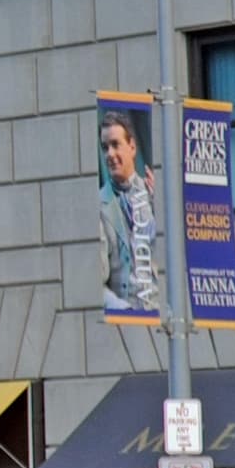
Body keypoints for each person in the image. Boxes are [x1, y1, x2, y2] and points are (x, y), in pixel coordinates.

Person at [97, 110, 163, 316]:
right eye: (105, 147)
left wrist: (160, 207)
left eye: (115, 145)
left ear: (132, 147)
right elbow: (95, 283)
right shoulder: (98, 205)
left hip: (160, 315)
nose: (110, 154)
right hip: (126, 318)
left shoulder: (155, 194)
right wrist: (122, 309)